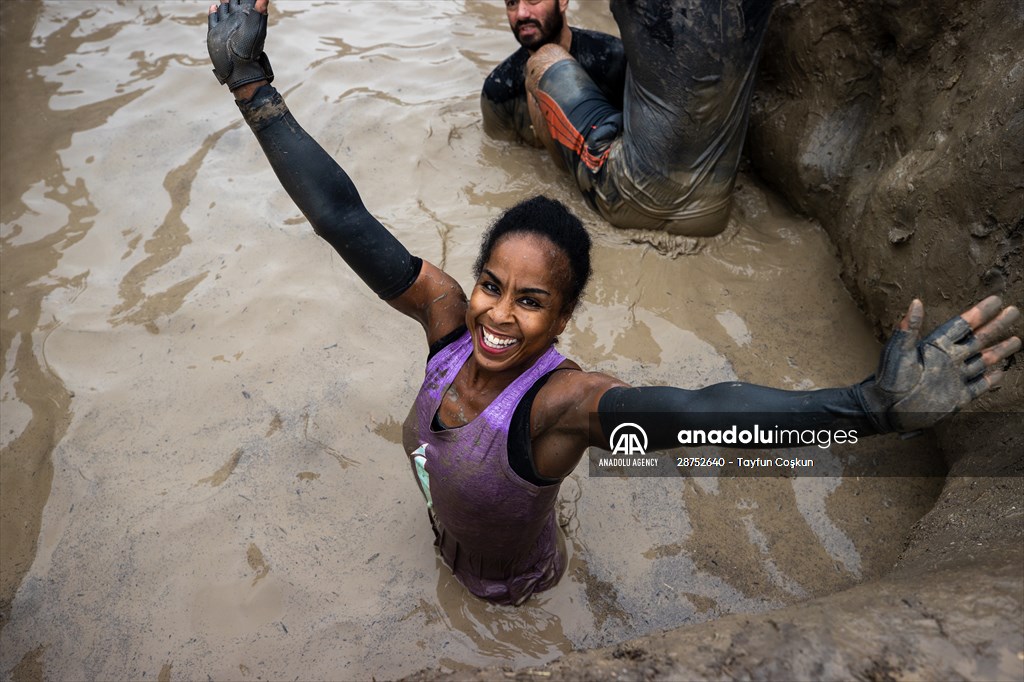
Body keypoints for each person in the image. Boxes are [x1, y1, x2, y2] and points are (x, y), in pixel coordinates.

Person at [206, 0, 1021, 605]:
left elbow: (707, 413)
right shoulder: (445, 321)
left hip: (519, 599)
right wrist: (251, 85)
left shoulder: (565, 404)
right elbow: (343, 218)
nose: (496, 314)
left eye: (530, 303)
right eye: (492, 285)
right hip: (439, 544)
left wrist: (868, 407)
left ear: (561, 323)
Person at [483, 0, 773, 237]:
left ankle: (574, 176)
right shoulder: (499, 89)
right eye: (511, 3)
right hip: (715, 209)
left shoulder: (612, 57)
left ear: (563, 2)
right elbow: (504, 157)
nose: (521, 13)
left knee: (544, 58)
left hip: (633, 194)